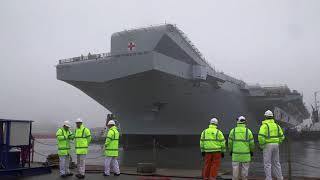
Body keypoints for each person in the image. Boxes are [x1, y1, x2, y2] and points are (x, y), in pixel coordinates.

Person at [258, 110, 285, 180]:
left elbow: (260, 137)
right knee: (276, 162)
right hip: (276, 145)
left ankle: (269, 178)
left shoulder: (264, 126)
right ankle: (280, 178)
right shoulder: (277, 126)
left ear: (265, 117)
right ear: (272, 117)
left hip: (267, 145)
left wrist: (262, 145)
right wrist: (278, 142)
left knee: (267, 163)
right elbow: (282, 136)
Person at [228, 116, 254, 180]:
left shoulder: (233, 131)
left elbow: (230, 143)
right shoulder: (248, 131)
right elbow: (251, 143)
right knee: (245, 170)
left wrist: (231, 150)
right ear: (245, 122)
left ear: (238, 122)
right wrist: (251, 151)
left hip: (235, 154)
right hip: (246, 155)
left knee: (235, 170)